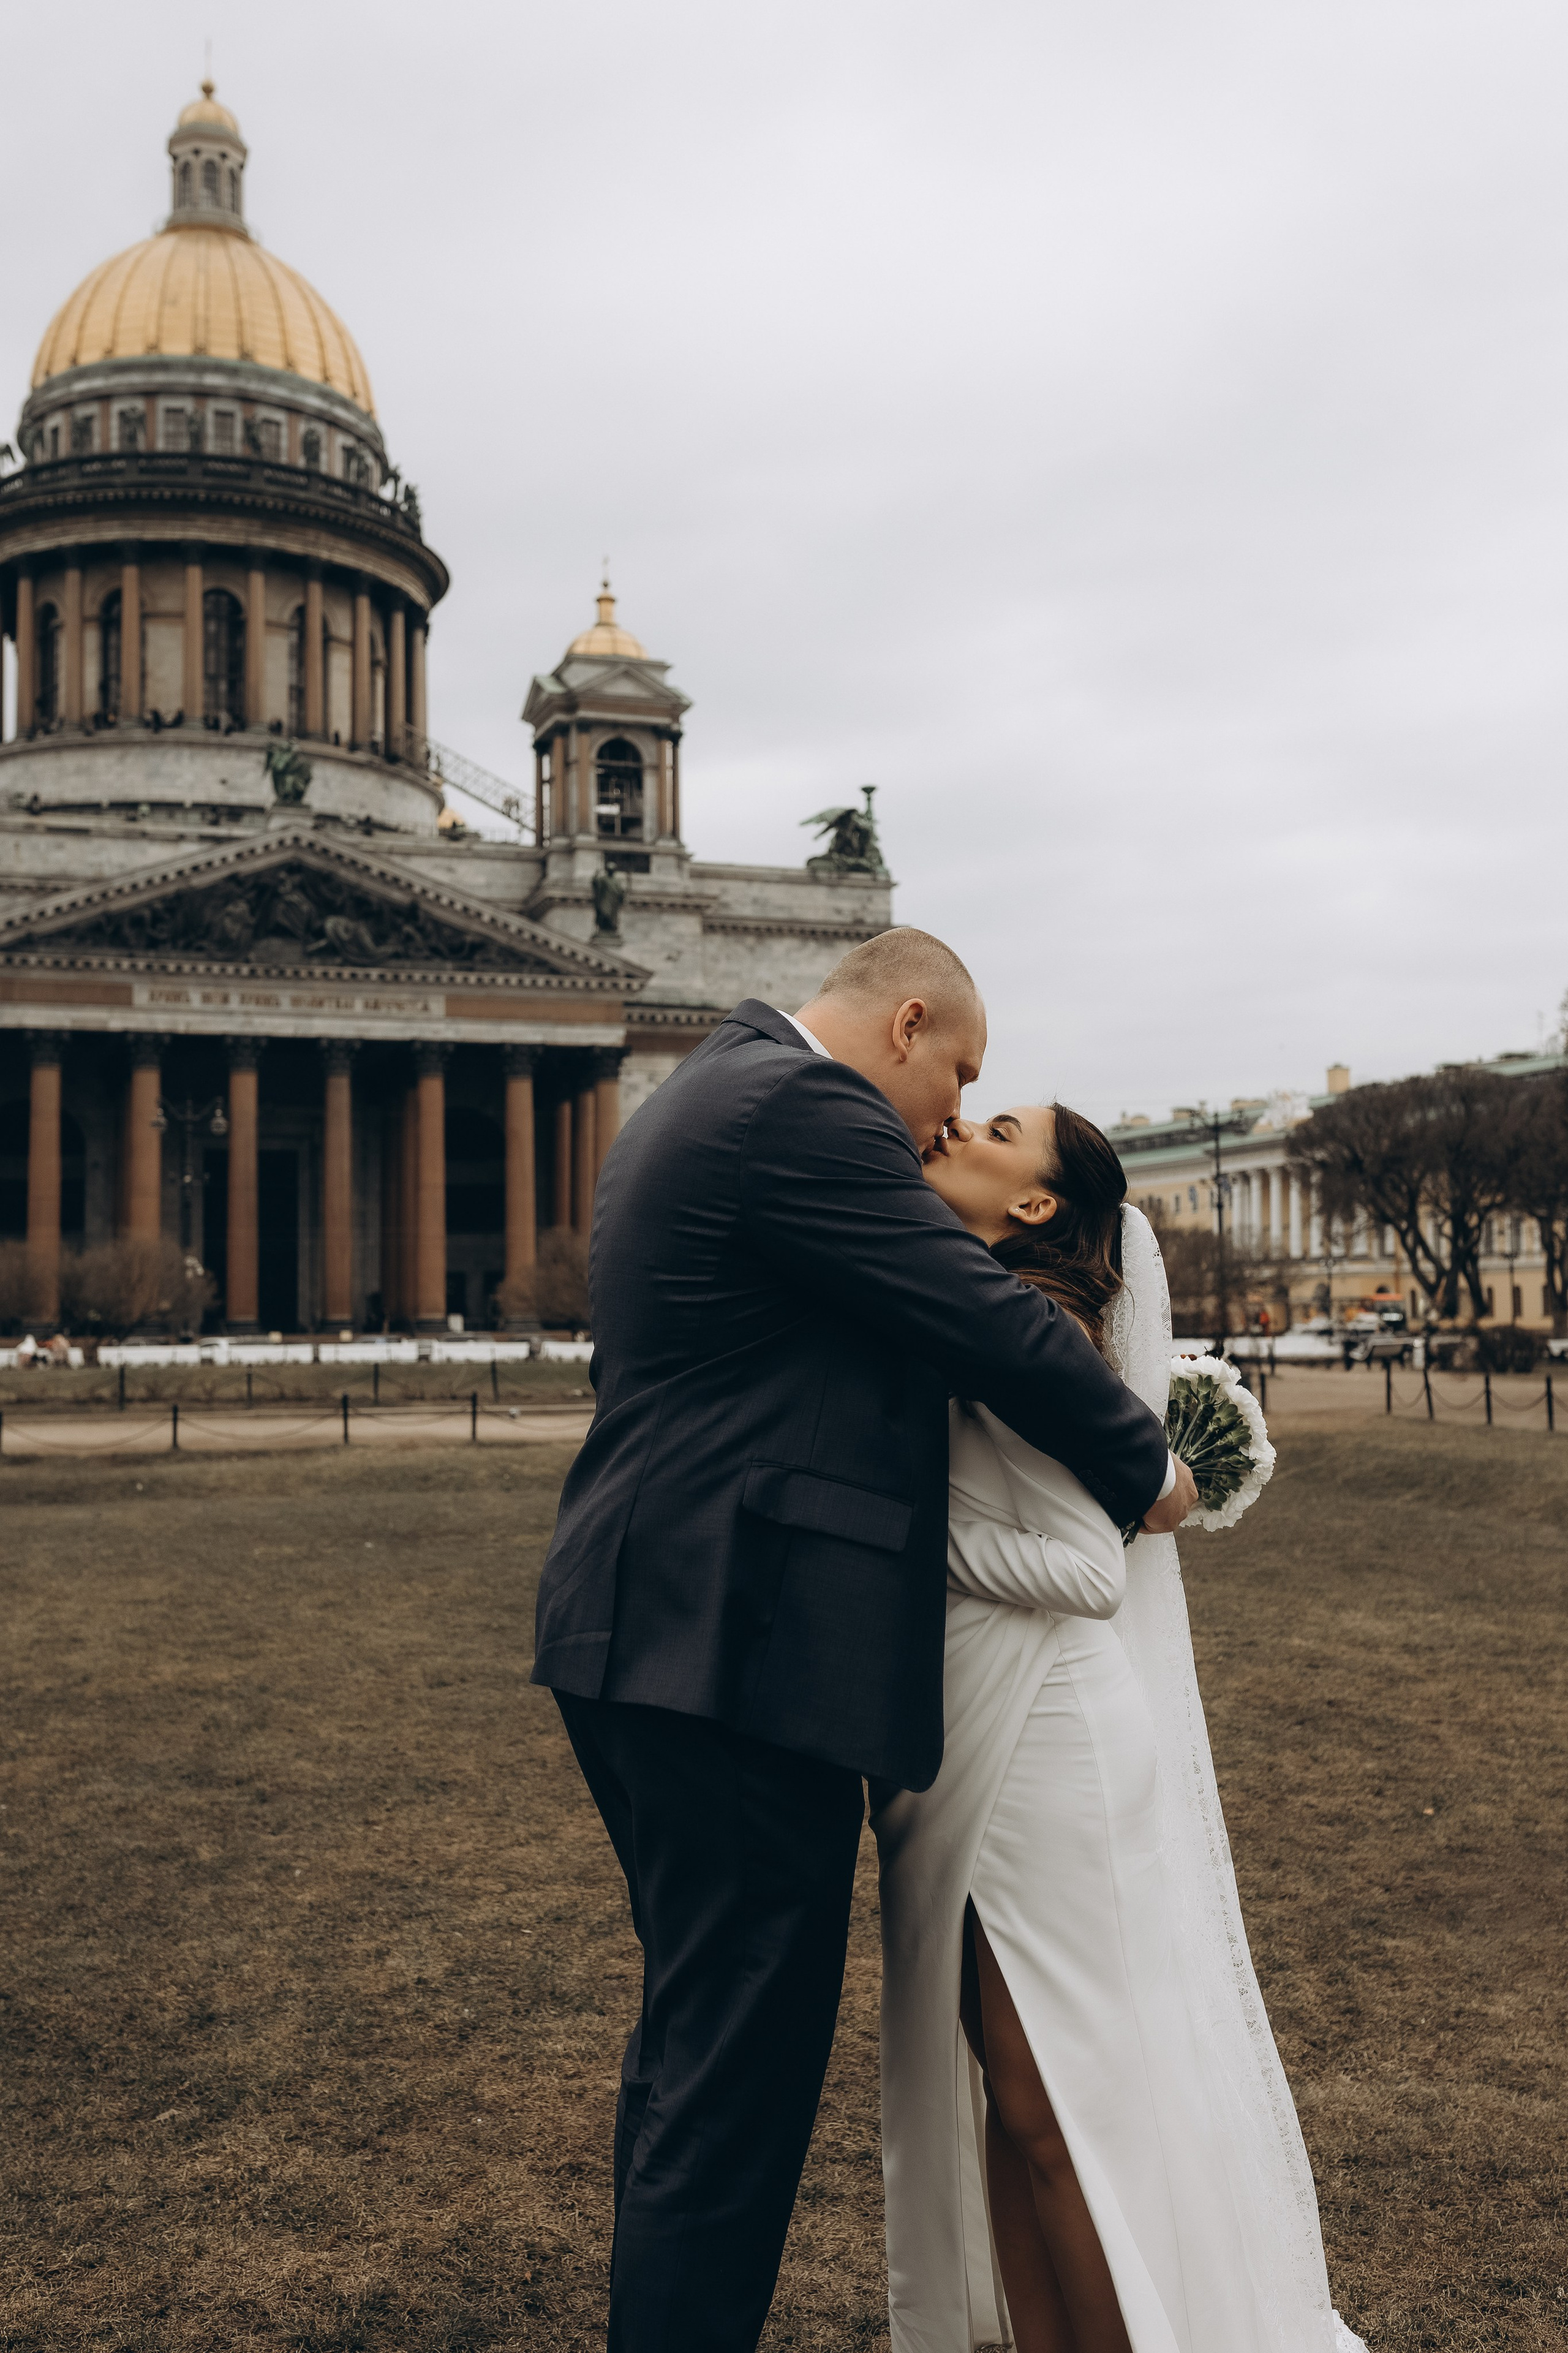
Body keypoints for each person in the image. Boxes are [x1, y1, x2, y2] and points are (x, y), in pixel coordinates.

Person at [530, 931, 1197, 2353]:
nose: (950, 1112)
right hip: (727, 1649)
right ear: (904, 1025)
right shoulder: (804, 1105)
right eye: (957, 1072)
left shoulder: (705, 1090)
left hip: (651, 1625)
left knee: (694, 2048)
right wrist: (1145, 1464)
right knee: (734, 2080)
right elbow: (973, 1311)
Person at [876, 1101, 1368, 2353]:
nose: (954, 1124)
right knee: (1009, 2095)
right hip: (975, 1730)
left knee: (1054, 2109)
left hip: (1047, 1747)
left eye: (994, 1125)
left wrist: (900, 1543)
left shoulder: (1036, 1326)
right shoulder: (980, 1306)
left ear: (1036, 1203)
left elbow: (1089, 1567)